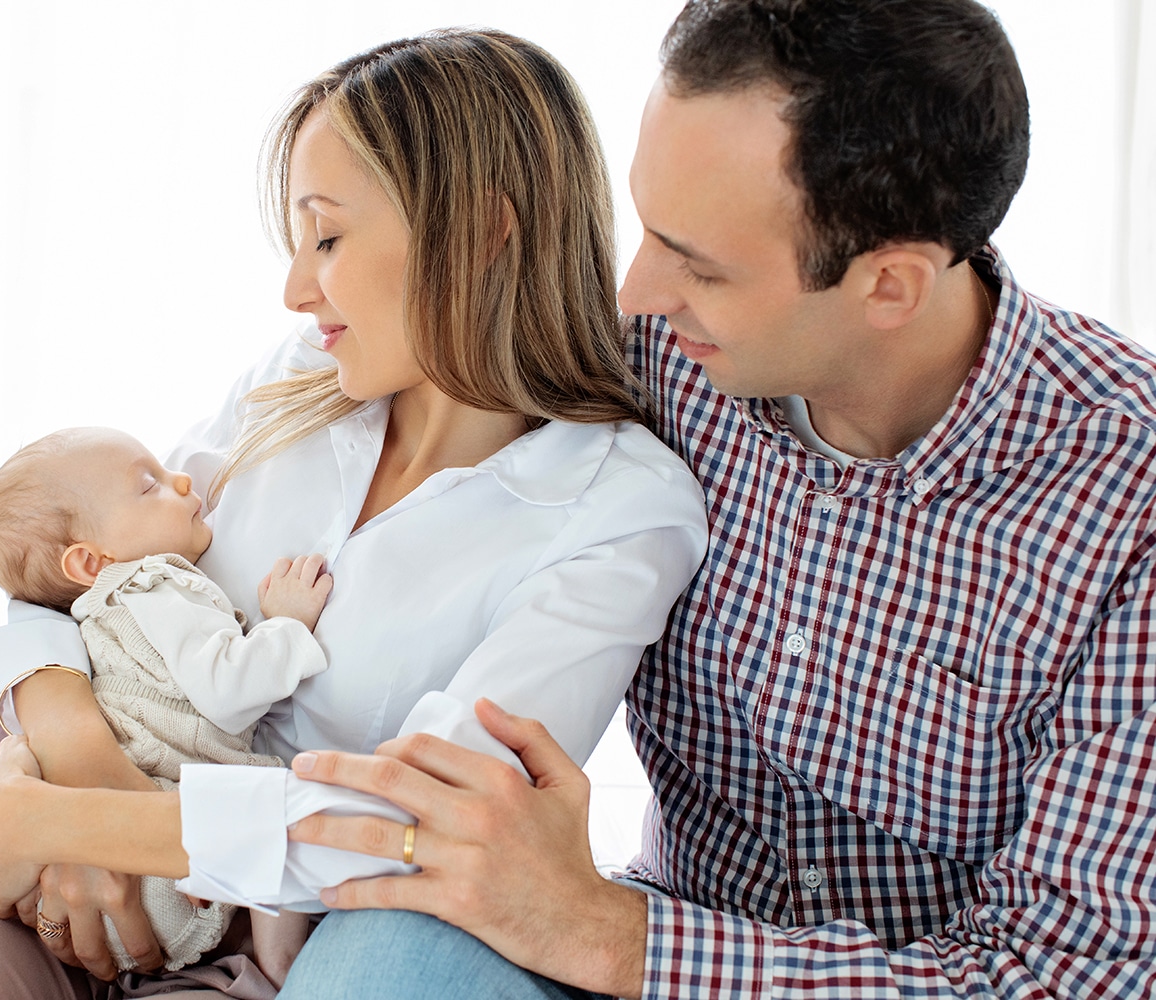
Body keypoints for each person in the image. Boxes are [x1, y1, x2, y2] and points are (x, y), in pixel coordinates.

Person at [270, 1, 1156, 998]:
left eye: (697, 263)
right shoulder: (654, 358)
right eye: (647, 229)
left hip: (706, 956)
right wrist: (81, 727)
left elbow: (1074, 975)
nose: (637, 292)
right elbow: (174, 490)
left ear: (891, 286)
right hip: (632, 937)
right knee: (387, 952)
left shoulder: (1129, 499)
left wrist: (613, 937)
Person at [0, 27, 708, 1000]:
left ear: (484, 229)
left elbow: (433, 823)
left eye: (327, 235)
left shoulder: (618, 508)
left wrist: (58, 823)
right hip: (104, 902)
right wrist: (67, 756)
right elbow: (78, 562)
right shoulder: (303, 376)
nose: (294, 286)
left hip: (322, 949)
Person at [0, 425, 332, 983]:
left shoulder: (101, 609)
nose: (184, 478)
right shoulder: (152, 586)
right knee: (269, 802)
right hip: (158, 870)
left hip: (81, 893)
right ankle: (282, 968)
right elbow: (229, 692)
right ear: (91, 563)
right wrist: (285, 624)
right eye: (150, 484)